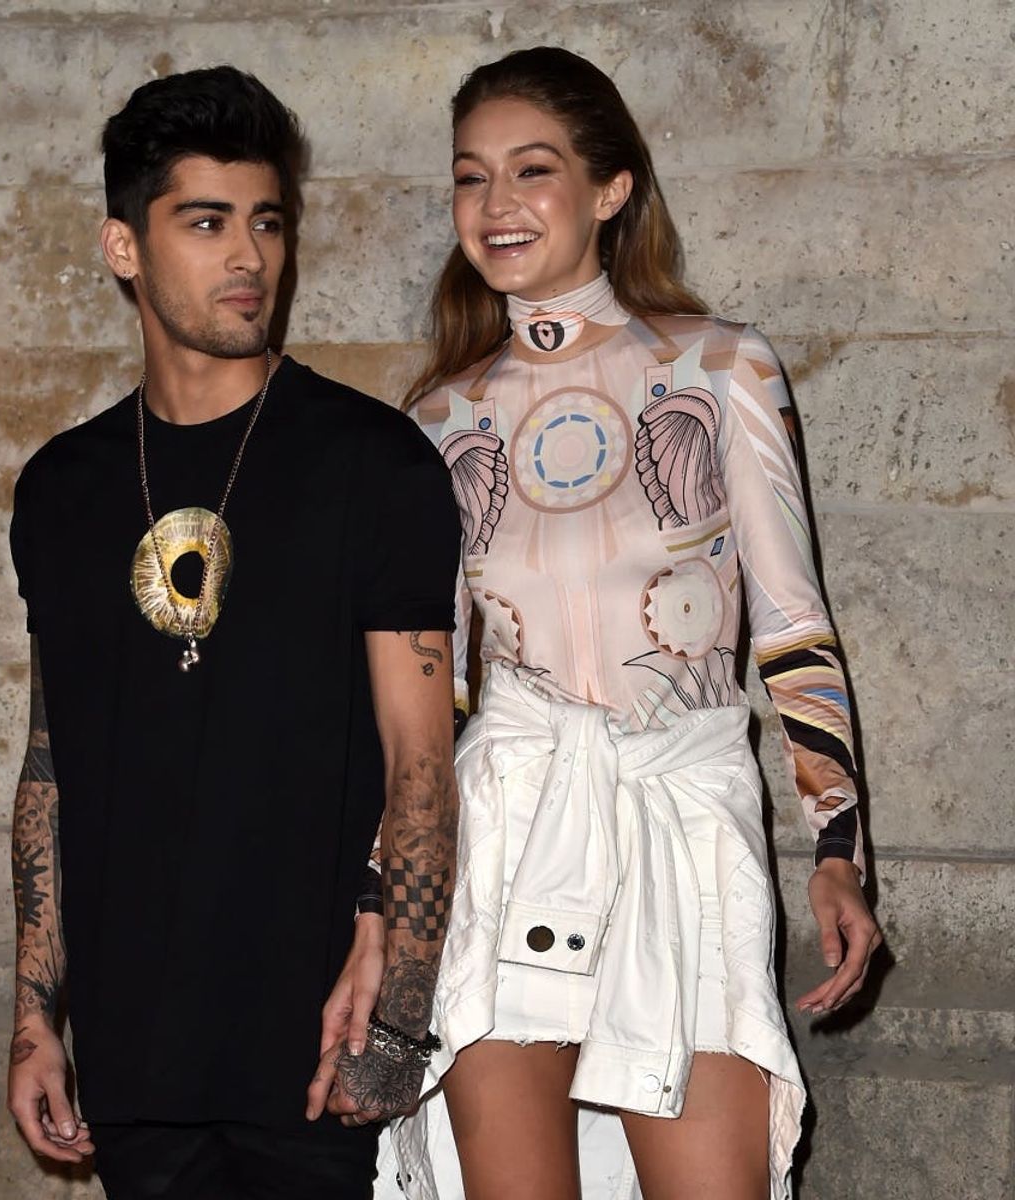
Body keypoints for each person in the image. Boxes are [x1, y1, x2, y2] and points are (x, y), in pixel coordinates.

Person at [375, 46, 883, 1200]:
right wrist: (381, 901)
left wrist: (839, 851)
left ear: (611, 189)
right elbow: (430, 698)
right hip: (507, 831)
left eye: (532, 170)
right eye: (471, 177)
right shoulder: (437, 419)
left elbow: (793, 627)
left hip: (681, 822)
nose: (496, 204)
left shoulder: (722, 368)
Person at [5, 66, 462, 1199]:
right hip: (134, 1059)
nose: (248, 256)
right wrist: (34, 1018)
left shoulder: (374, 465)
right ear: (124, 247)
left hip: (313, 1057)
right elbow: (52, 762)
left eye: (266, 221)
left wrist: (399, 1019)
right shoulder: (60, 489)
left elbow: (420, 760)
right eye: (206, 223)